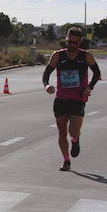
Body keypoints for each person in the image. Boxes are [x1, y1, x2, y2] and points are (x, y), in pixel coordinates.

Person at [42, 27, 101, 171]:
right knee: (62, 132)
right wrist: (47, 85)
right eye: (69, 41)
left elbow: (97, 73)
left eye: (75, 42)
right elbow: (46, 74)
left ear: (80, 42)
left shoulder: (86, 56)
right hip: (61, 99)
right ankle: (66, 160)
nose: (71, 45)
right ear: (66, 39)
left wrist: (89, 88)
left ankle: (75, 139)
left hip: (78, 99)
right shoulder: (57, 56)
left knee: (73, 131)